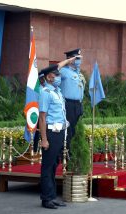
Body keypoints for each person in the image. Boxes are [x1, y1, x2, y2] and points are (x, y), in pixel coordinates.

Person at [38, 64, 68, 209]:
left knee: (54, 166)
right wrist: (44, 139)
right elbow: (42, 117)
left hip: (60, 132)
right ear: (49, 77)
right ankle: (46, 199)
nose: (58, 77)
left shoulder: (58, 91)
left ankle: (52, 196)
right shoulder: (46, 93)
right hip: (50, 133)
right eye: (56, 75)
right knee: (47, 166)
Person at [59, 48, 85, 155]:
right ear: (70, 59)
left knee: (75, 130)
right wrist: (67, 62)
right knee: (68, 130)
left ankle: (73, 152)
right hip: (67, 104)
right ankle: (66, 154)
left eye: (79, 58)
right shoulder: (64, 71)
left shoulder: (78, 73)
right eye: (77, 58)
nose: (79, 60)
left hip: (78, 104)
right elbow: (56, 68)